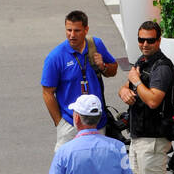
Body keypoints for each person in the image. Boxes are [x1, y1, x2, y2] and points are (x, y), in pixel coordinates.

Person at [118, 19, 174, 174]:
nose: (144, 44)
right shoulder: (142, 62)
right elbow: (127, 85)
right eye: (141, 39)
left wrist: (137, 83)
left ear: (158, 40)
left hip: (154, 138)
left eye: (150, 40)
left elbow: (153, 100)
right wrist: (124, 91)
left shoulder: (162, 67)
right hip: (140, 135)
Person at [42, 11, 119, 147]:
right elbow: (47, 92)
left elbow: (113, 70)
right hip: (71, 125)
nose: (72, 35)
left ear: (86, 29)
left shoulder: (95, 45)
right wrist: (60, 123)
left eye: (77, 30)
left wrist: (103, 66)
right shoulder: (55, 57)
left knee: (96, 166)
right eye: (69, 30)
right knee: (67, 166)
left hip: (97, 123)